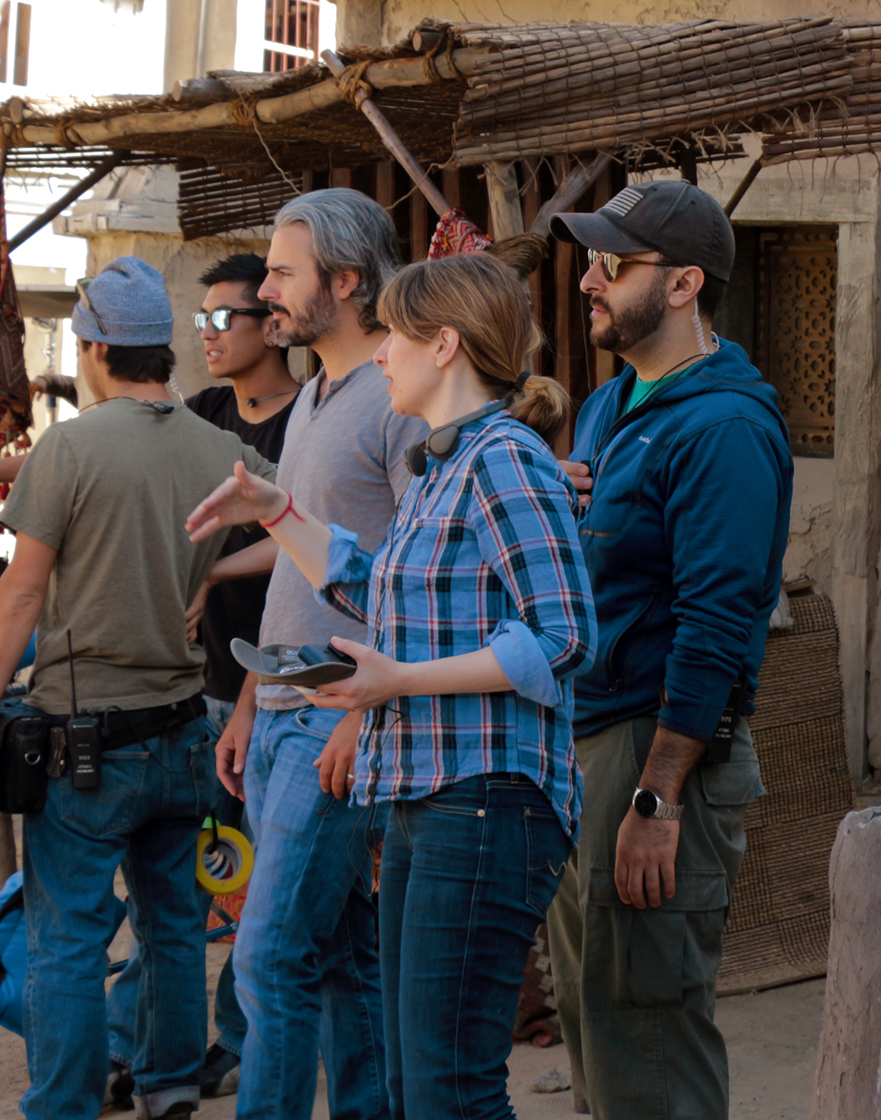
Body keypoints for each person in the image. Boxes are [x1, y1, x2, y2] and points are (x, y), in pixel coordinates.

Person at [186, 252, 595, 1120]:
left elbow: (563, 636)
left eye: (396, 338)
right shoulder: (442, 465)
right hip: (427, 799)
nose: (379, 356)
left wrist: (399, 679)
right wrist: (277, 512)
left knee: (451, 1090)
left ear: (444, 346)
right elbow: (376, 587)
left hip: (487, 801)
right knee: (420, 1086)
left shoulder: (503, 459)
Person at [0, 257, 278, 1120]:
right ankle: (170, 1084)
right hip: (181, 730)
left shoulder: (71, 447)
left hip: (82, 740)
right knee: (174, 926)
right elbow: (301, 530)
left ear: (94, 348)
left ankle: (65, 1104)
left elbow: (20, 593)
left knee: (68, 938)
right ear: (162, 349)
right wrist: (215, 572)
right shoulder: (219, 449)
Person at [544, 181, 793, 1120]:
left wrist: (656, 797)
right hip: (592, 736)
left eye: (614, 264)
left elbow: (715, 625)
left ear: (685, 283)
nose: (589, 283)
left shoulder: (722, 426)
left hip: (653, 752)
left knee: (648, 1037)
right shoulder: (613, 407)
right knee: (597, 1017)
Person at [216, 190, 419, 1120]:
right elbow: (303, 569)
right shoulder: (313, 403)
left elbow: (422, 579)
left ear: (346, 282)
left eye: (283, 273)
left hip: (338, 721)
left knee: (266, 961)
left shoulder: (398, 398)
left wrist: (366, 718)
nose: (264, 292)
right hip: (281, 714)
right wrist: (254, 702)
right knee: (341, 956)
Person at [102, 253, 300, 1104]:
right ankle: (135, 1040)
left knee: (260, 899)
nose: (208, 334)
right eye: (202, 319)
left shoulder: (308, 425)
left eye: (227, 318)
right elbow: (101, 459)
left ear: (272, 325)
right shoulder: (207, 412)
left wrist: (210, 577)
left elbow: (304, 541)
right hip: (202, 690)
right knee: (177, 888)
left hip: (282, 697)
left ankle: (232, 1041)